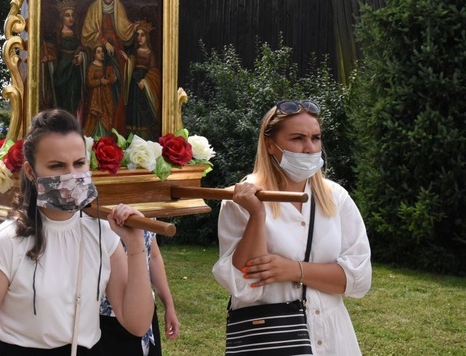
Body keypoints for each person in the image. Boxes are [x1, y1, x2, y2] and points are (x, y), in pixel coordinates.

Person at [0, 109, 154, 355]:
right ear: (31, 172)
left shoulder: (103, 233)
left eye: (79, 163)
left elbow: (136, 324)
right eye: (57, 166)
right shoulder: (7, 241)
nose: (72, 175)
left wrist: (135, 247)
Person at [212, 100, 372, 355]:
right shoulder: (241, 201)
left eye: (316, 138)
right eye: (298, 138)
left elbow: (359, 279)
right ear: (269, 144)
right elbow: (243, 286)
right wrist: (256, 214)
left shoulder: (335, 198)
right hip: (271, 338)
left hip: (333, 338)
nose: (310, 149)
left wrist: (293, 270)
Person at [99, 231, 180, 356]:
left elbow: (154, 256)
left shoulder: (148, 213)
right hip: (105, 319)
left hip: (145, 312)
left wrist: (169, 306)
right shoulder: (94, 215)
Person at [81, 0, 136, 135]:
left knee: (116, 94)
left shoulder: (119, 10)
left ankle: (115, 133)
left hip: (117, 58)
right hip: (100, 56)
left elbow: (127, 31)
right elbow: (86, 35)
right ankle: (99, 134)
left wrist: (137, 27)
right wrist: (104, 42)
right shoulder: (93, 10)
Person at [123, 21, 161, 140]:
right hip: (134, 86)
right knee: (133, 110)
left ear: (147, 37)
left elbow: (154, 71)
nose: (139, 38)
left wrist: (145, 82)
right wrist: (127, 61)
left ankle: (144, 139)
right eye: (137, 35)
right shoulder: (134, 52)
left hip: (143, 87)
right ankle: (132, 139)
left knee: (142, 111)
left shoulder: (150, 53)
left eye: (142, 35)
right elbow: (131, 64)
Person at [52, 0, 85, 118]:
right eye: (67, 15)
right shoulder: (57, 35)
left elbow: (83, 48)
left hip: (75, 70)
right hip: (62, 70)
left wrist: (81, 55)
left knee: (74, 96)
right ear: (62, 17)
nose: (70, 18)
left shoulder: (77, 34)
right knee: (63, 98)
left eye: (72, 15)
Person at [84, 43, 117, 138]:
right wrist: (100, 81)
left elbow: (110, 77)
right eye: (98, 52)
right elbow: (89, 82)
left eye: (102, 51)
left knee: (107, 116)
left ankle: (105, 139)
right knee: (97, 117)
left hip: (107, 96)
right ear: (94, 54)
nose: (101, 54)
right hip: (96, 97)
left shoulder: (106, 66)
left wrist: (113, 78)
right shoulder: (92, 67)